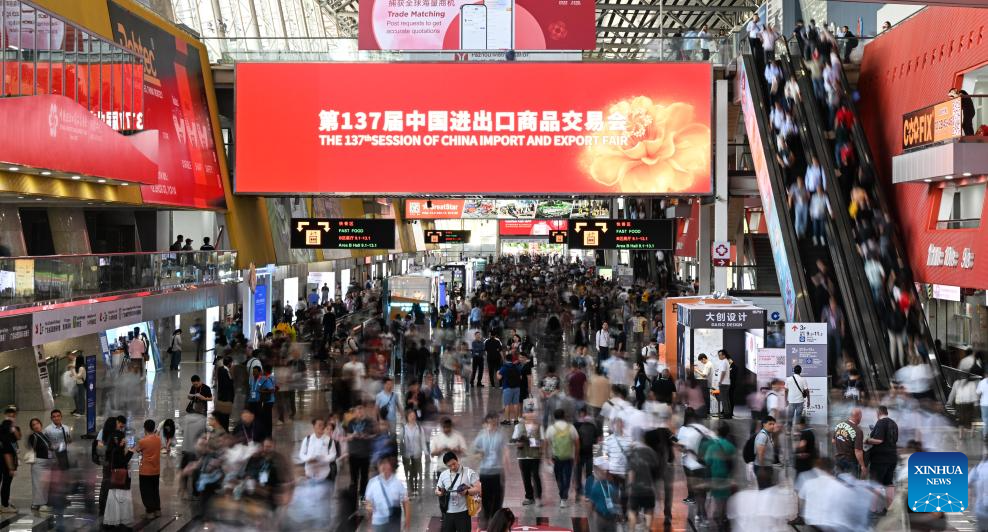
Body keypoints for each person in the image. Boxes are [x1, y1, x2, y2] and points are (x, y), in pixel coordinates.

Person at [472, 412, 508, 525]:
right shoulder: (482, 435)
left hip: (497, 471)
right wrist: (478, 455)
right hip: (485, 471)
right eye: (491, 420)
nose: (494, 422)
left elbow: (505, 450)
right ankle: (486, 518)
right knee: (485, 497)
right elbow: (474, 451)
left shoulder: (501, 435)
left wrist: (506, 463)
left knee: (498, 498)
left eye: (496, 420)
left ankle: (495, 519)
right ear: (487, 421)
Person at [435, 452, 481, 532]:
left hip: (463, 513)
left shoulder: (469, 472)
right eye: (449, 466)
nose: (453, 467)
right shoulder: (443, 475)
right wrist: (439, 493)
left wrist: (467, 492)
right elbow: (437, 489)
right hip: (448, 513)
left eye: (454, 464)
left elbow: (478, 488)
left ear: (457, 460)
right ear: (446, 465)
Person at [865, 406, 898, 513]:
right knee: (889, 482)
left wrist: (867, 440)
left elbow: (879, 440)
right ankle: (890, 508)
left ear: (878, 413)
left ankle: (872, 509)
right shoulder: (894, 423)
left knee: (875, 483)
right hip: (892, 457)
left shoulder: (880, 423)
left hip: (880, 458)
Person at [365, 456, 410, 532]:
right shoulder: (372, 483)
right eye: (381, 464)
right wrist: (369, 525)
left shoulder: (397, 483)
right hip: (377, 523)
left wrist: (407, 522)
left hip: (393, 523)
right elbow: (368, 504)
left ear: (391, 466)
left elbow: (406, 502)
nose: (383, 466)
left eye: (386, 463)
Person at [545, 408, 579, 508]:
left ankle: (562, 495)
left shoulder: (551, 428)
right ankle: (564, 497)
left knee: (559, 477)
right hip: (569, 457)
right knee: (567, 477)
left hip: (556, 458)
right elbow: (577, 442)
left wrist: (547, 456)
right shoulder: (571, 427)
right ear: (564, 416)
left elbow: (546, 443)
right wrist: (576, 456)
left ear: (554, 417)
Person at [511, 405, 544, 506]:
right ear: (524, 414)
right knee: (526, 477)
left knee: (536, 476)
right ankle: (529, 497)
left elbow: (543, 441)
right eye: (528, 412)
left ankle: (538, 497)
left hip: (535, 456)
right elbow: (514, 440)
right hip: (523, 456)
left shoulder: (540, 426)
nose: (530, 414)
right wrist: (518, 443)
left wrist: (531, 442)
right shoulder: (518, 426)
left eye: (532, 412)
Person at [103, 432, 134, 528]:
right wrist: (130, 452)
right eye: (123, 439)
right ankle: (119, 519)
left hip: (118, 480)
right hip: (120, 480)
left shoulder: (118, 449)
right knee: (120, 499)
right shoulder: (116, 450)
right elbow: (122, 462)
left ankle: (118, 518)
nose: (125, 440)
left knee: (118, 500)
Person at [133, 419, 162, 518]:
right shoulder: (158, 439)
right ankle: (157, 510)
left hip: (145, 471)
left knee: (146, 492)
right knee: (155, 490)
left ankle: (150, 512)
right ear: (153, 428)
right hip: (156, 470)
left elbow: (137, 449)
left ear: (145, 428)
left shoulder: (143, 441)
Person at [346, 404, 375, 497]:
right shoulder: (351, 422)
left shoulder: (369, 422)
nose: (359, 413)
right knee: (354, 478)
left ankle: (363, 495)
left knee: (364, 477)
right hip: (353, 453)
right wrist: (353, 435)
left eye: (361, 411)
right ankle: (353, 496)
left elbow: (373, 435)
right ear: (355, 413)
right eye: (357, 412)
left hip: (365, 454)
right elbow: (348, 436)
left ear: (364, 412)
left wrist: (366, 436)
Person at [25, 418, 52, 513]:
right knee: (38, 484)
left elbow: (49, 446)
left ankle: (37, 503)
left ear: (41, 424)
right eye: (33, 425)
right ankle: (41, 504)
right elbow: (31, 446)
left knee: (45, 484)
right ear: (32, 427)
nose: (36, 426)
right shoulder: (33, 436)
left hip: (47, 462)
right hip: (39, 463)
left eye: (37, 423)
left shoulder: (44, 435)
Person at [833, 407, 865, 477]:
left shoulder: (839, 425)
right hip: (850, 461)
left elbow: (833, 441)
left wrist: (843, 444)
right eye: (861, 416)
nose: (861, 419)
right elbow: (858, 451)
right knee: (851, 483)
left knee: (838, 481)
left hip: (838, 459)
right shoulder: (858, 431)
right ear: (858, 417)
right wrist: (862, 466)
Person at [402, 410, 427, 496]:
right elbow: (401, 442)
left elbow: (423, 441)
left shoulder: (419, 428)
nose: (412, 417)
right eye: (410, 416)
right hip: (407, 455)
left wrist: (426, 452)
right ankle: (410, 489)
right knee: (408, 473)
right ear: (407, 417)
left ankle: (416, 489)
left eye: (414, 416)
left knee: (416, 472)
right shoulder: (404, 429)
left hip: (417, 454)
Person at [498, 356, 523, 424]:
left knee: (507, 405)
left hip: (507, 388)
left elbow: (499, 377)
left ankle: (507, 420)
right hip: (517, 388)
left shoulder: (504, 367)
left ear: (505, 359)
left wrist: (497, 372)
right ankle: (516, 420)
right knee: (516, 404)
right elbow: (521, 377)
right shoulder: (517, 367)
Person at [0, 411, 17, 514]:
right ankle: (5, 505)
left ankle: (4, 503)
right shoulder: (7, 434)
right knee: (6, 484)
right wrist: (11, 468)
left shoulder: (2, 429)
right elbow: (7, 452)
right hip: (5, 463)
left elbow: (18, 437)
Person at [754, 416, 777, 489]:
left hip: (766, 466)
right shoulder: (762, 436)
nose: (772, 426)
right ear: (764, 424)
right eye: (770, 424)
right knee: (764, 490)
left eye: (773, 424)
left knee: (767, 489)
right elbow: (760, 453)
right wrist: (762, 469)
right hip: (763, 467)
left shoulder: (767, 435)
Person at [214, 356, 235, 431]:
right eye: (232, 363)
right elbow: (227, 385)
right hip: (226, 398)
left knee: (224, 416)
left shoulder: (222, 369)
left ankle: (224, 428)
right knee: (225, 416)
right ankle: (225, 430)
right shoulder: (224, 371)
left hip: (223, 397)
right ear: (229, 363)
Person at [715, 350, 733, 418]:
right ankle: (728, 414)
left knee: (724, 399)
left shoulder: (724, 362)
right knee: (726, 399)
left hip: (723, 383)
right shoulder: (724, 361)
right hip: (725, 383)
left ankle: (727, 414)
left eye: (720, 355)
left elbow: (723, 372)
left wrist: (720, 381)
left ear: (724, 355)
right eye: (718, 355)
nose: (719, 356)